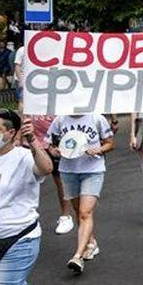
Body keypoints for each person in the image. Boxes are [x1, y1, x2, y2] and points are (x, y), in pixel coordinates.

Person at [0, 112, 54, 285]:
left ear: (10, 133)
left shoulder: (23, 157)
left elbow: (47, 167)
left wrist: (32, 141)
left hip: (19, 238)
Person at [48, 113, 114, 274]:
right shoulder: (60, 120)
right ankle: (91, 243)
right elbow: (50, 144)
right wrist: (55, 151)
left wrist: (98, 149)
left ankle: (78, 256)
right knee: (79, 212)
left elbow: (109, 143)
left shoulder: (96, 118)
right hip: (68, 170)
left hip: (93, 170)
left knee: (85, 212)